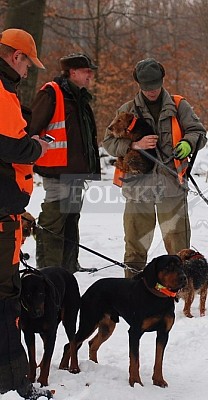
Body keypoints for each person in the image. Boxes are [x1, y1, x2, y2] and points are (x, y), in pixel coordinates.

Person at [103, 58, 207, 278]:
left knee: (178, 242)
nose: (151, 91)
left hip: (171, 186)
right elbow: (108, 143)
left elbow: (198, 132)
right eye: (146, 87)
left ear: (162, 80)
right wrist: (134, 144)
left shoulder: (179, 106)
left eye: (155, 86)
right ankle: (133, 289)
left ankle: (180, 289)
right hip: (137, 188)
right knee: (135, 244)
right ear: (139, 85)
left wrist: (189, 142)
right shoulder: (127, 110)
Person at [0, 28, 53, 399]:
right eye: (27, 64)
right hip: (2, 217)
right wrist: (36, 147)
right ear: (15, 57)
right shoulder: (2, 93)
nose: (27, 72)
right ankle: (14, 381)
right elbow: (12, 148)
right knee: (5, 296)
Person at [30, 53, 101, 273]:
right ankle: (48, 271)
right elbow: (32, 127)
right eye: (86, 71)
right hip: (56, 171)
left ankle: (68, 267)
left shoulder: (79, 97)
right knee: (53, 221)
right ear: (72, 72)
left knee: (71, 219)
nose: (90, 75)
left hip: (76, 173)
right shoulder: (52, 93)